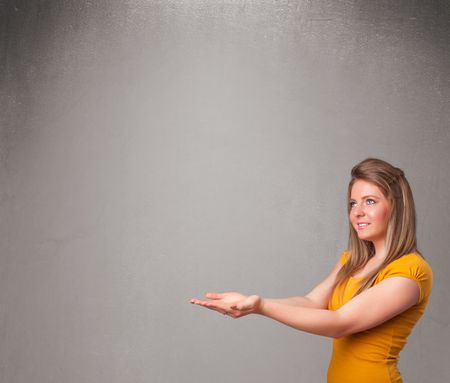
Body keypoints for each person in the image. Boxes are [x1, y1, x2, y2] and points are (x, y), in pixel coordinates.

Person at [190, 158, 433, 383]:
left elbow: (341, 323)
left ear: (396, 207)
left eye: (370, 201)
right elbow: (312, 301)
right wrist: (249, 302)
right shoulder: (352, 260)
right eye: (352, 203)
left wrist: (261, 306)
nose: (357, 212)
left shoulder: (411, 271)